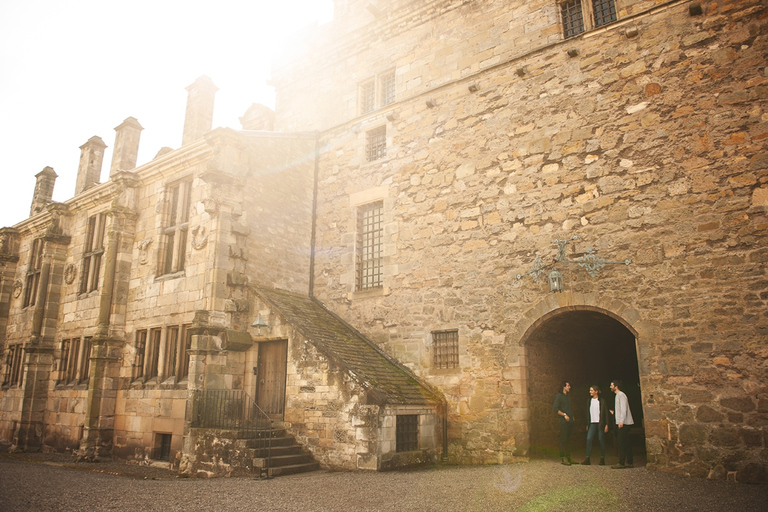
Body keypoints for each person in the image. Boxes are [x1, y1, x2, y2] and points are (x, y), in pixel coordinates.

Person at [581, 384, 609, 465]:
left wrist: (607, 424)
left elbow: (605, 413)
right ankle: (587, 458)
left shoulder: (602, 401)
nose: (590, 392)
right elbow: (587, 413)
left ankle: (602, 458)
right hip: (592, 423)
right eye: (590, 390)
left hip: (600, 423)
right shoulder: (589, 401)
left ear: (596, 391)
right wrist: (587, 423)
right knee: (589, 439)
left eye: (591, 390)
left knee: (601, 439)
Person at [610, 379, 634, 469]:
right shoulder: (618, 396)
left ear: (616, 386)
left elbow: (624, 409)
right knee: (626, 442)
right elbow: (620, 409)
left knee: (621, 442)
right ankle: (629, 462)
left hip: (623, 423)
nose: (610, 387)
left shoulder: (621, 395)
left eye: (611, 385)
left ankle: (622, 462)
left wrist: (621, 421)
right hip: (621, 422)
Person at [552, 380, 574, 465]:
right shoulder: (559, 396)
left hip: (570, 421)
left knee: (568, 439)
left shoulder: (567, 397)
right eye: (568, 386)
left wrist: (572, 416)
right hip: (563, 421)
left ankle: (568, 457)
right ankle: (563, 458)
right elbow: (555, 409)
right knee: (563, 439)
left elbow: (569, 408)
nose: (569, 387)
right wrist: (564, 415)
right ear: (563, 387)